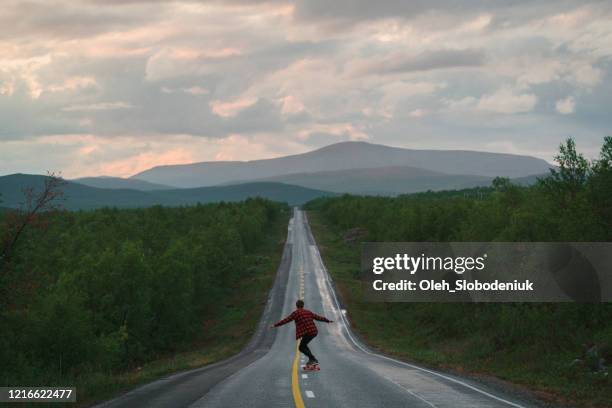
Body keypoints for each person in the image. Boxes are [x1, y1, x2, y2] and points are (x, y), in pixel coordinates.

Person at [270, 299, 333, 367]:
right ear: (303, 305)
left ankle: (313, 359)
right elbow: (318, 317)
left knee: (301, 347)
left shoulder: (296, 313)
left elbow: (286, 320)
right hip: (314, 331)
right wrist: (327, 320)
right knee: (304, 345)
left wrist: (275, 325)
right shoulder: (308, 312)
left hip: (308, 332)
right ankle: (312, 359)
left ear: (296, 306)